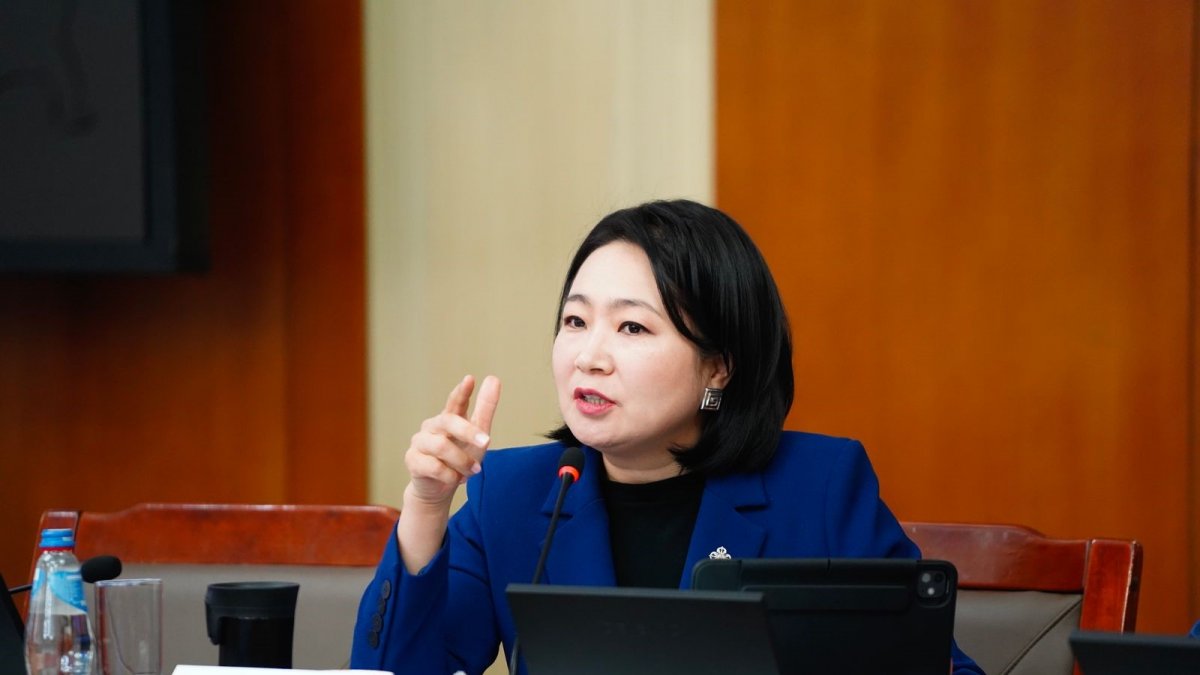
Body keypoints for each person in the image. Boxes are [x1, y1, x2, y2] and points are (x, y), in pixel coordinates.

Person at [350, 200, 983, 674]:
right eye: (575, 320)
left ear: (718, 367)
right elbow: (395, 673)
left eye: (632, 328)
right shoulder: (511, 495)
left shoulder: (818, 489)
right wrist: (427, 506)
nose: (589, 357)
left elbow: (939, 668)